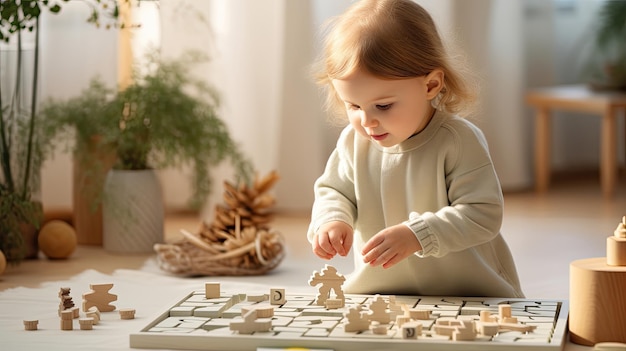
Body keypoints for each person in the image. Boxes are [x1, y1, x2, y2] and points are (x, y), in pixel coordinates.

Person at [307, 0, 524, 298]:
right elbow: (333, 191)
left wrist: (417, 235)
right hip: (382, 293)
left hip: (470, 293)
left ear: (431, 85)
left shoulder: (458, 140)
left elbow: (482, 214)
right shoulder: (352, 141)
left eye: (383, 105)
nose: (367, 120)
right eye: (353, 106)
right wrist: (332, 219)